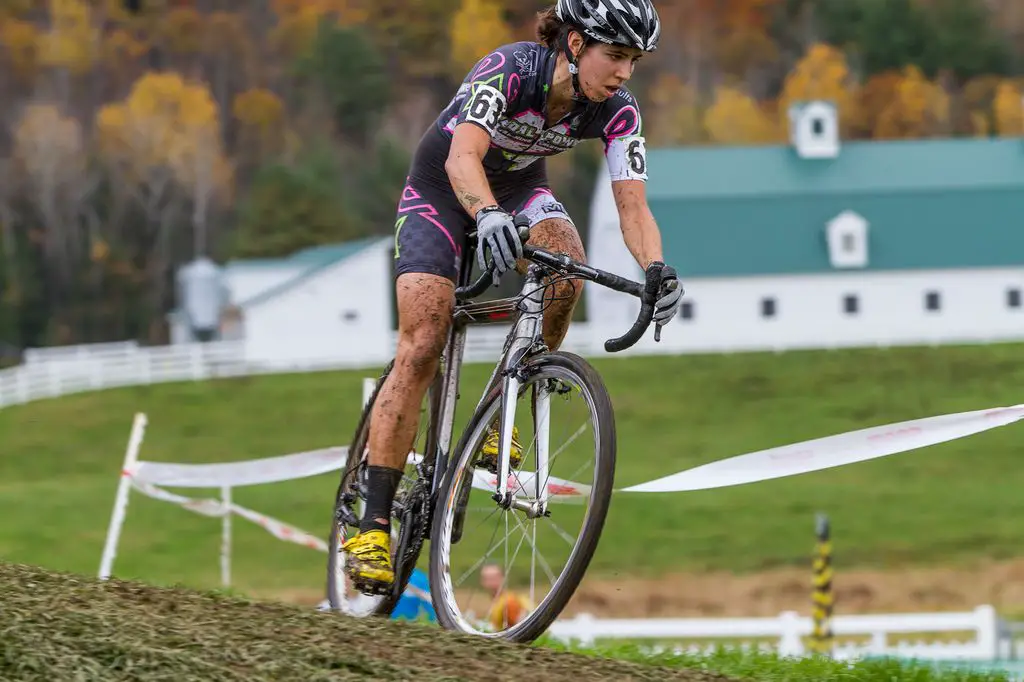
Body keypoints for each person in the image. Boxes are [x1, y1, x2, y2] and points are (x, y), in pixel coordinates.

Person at [342, 0, 684, 595]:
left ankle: (502, 412)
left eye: (635, 60)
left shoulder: (618, 112)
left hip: (521, 189)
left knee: (566, 270)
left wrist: (655, 267)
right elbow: (461, 156)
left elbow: (633, 207)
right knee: (424, 339)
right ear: (575, 44)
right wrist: (487, 214)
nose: (626, 72)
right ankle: (371, 523)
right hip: (443, 189)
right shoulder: (509, 69)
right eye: (616, 55)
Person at [479, 562, 531, 631]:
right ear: (482, 581)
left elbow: (521, 628)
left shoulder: (509, 602)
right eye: (487, 579)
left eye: (494, 578)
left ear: (503, 578)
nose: (491, 582)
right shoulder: (497, 601)